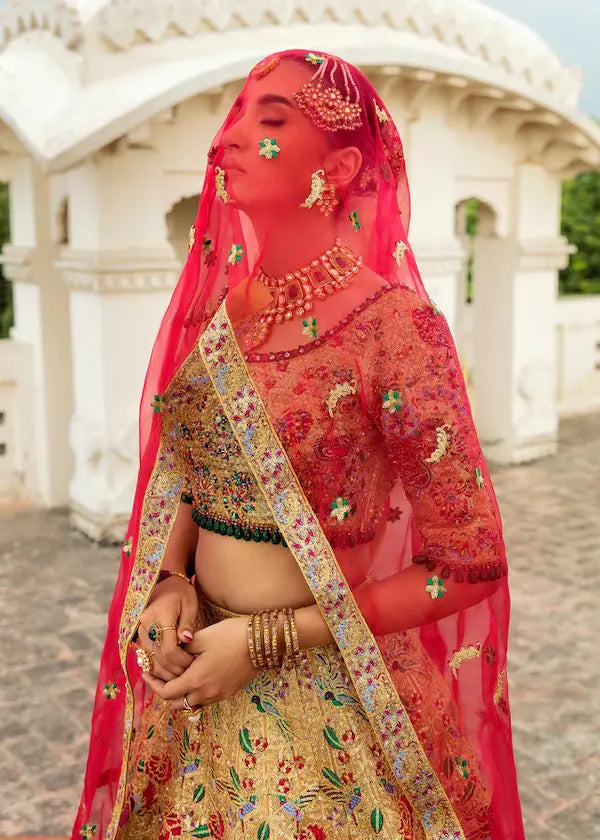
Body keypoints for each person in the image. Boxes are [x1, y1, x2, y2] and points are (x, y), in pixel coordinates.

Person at [72, 50, 525, 840]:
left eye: (270, 120)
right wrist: (170, 582)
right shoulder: (224, 316)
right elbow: (192, 474)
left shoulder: (394, 329)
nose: (229, 138)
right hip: (197, 684)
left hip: (330, 705)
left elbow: (469, 560)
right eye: (237, 116)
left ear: (340, 166)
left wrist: (267, 640)